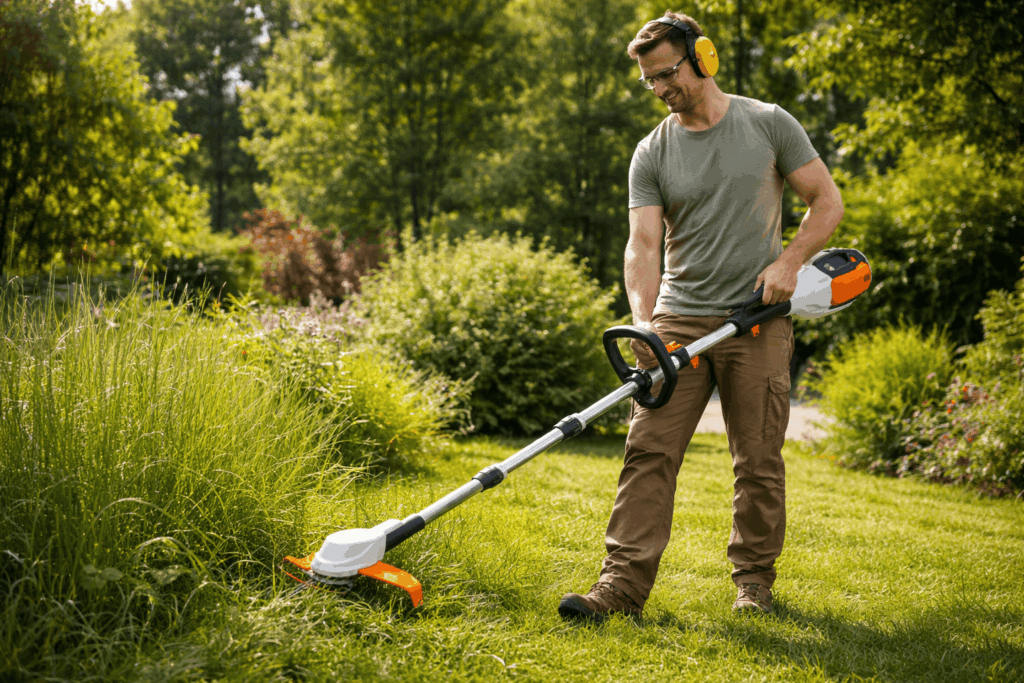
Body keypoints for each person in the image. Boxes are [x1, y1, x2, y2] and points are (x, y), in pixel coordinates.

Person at [558, 11, 844, 622]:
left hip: (757, 320)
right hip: (678, 323)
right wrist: (644, 322)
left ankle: (753, 585)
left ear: (702, 59)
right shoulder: (651, 151)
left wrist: (791, 262)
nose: (660, 89)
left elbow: (826, 201)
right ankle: (619, 591)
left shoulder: (768, 124)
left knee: (759, 459)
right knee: (648, 453)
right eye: (649, 81)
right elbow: (642, 244)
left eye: (667, 74)